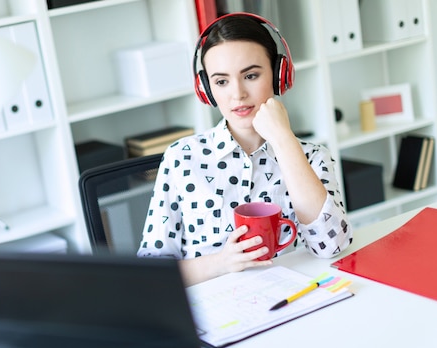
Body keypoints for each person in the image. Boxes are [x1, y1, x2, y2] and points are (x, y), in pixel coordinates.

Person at [136, 13, 352, 286]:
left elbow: (330, 247)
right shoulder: (182, 158)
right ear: (206, 89)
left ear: (278, 75)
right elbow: (150, 274)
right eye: (221, 81)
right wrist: (222, 262)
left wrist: (284, 140)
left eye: (250, 75)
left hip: (289, 299)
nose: (237, 94)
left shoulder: (312, 156)